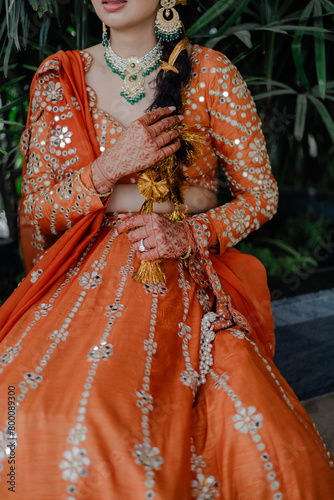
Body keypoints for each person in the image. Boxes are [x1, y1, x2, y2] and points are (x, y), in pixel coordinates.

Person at [0, 0, 333, 498]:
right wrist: (108, 169)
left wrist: (191, 232)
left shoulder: (212, 71)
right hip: (77, 274)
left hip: (178, 267)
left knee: (253, 445)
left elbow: (260, 196)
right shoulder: (58, 77)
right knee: (21, 409)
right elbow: (38, 211)